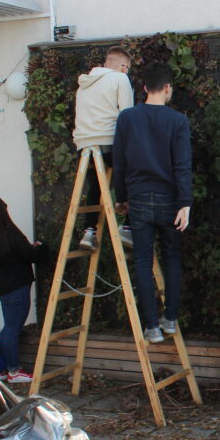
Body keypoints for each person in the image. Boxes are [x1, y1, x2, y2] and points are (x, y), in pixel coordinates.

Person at [112, 62, 192, 344]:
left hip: (139, 199)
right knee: (171, 258)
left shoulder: (127, 118)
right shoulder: (178, 121)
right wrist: (185, 203)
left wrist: (121, 198)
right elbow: (182, 166)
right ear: (167, 88)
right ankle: (169, 319)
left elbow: (119, 164)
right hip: (171, 200)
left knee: (143, 263)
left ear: (143, 88)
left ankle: (151, 328)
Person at [0, 197, 51, 384]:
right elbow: (28, 254)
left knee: (9, 327)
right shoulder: (10, 232)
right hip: (17, 286)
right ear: (2, 213)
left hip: (3, 288)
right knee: (13, 329)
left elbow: (7, 258)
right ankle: (14, 370)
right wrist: (43, 249)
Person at [73, 45, 135, 251]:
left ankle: (88, 232)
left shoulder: (83, 84)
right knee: (134, 172)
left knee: (96, 186)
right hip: (108, 142)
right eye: (127, 69)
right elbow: (127, 116)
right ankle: (128, 226)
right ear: (123, 66)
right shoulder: (120, 78)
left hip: (84, 147)